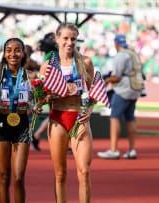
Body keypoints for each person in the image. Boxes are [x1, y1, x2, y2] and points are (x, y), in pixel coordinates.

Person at [39, 23, 94, 203]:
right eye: (65, 39)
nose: (69, 42)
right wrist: (47, 97)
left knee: (84, 172)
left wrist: (89, 111)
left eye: (73, 39)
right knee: (60, 174)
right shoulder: (48, 66)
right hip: (58, 118)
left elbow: (93, 93)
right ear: (57, 39)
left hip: (79, 118)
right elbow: (41, 98)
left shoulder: (85, 62)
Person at [0, 38, 36, 203]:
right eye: (9, 50)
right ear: (4, 53)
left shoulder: (31, 76)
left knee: (18, 178)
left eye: (17, 50)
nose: (13, 54)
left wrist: (39, 104)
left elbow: (39, 99)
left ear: (23, 53)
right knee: (3, 176)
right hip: (1, 125)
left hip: (22, 126)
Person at [97, 34, 142, 159]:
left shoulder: (120, 55)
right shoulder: (133, 53)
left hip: (124, 89)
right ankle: (132, 150)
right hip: (135, 88)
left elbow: (116, 77)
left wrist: (106, 81)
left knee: (114, 117)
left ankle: (114, 150)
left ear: (116, 44)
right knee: (130, 119)